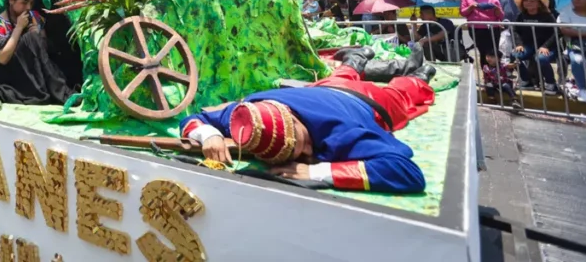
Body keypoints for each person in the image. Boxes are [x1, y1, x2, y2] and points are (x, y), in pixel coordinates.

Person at [179, 46, 435, 194]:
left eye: (303, 147)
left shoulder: (344, 132)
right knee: (342, 75)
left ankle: (420, 74)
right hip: (323, 87)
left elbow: (408, 173)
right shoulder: (247, 113)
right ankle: (356, 58)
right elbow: (197, 117)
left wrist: (317, 170)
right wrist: (208, 135)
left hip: (370, 100)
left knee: (401, 93)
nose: (309, 153)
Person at [0, 0, 75, 105]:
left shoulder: (34, 17)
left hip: (35, 72)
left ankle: (52, 89)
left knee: (34, 39)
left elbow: (44, 51)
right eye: (24, 2)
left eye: (31, 3)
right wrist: (19, 28)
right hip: (10, 75)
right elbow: (3, 58)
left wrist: (38, 34)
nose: (28, 7)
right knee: (30, 38)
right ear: (11, 0)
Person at [511, 0, 560, 95]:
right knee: (514, 55)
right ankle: (526, 80)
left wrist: (545, 46)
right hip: (528, 45)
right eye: (526, 0)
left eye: (532, 1)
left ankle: (551, 83)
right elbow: (515, 30)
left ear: (539, 3)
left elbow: (556, 32)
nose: (528, 3)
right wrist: (519, 44)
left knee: (541, 58)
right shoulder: (521, 15)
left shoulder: (548, 16)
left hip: (547, 46)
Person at [460, 0, 504, 65]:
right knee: (484, 52)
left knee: (494, 51)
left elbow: (501, 16)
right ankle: (487, 75)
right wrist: (471, 7)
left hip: (493, 28)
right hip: (477, 29)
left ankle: (497, 75)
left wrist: (497, 10)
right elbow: (463, 12)